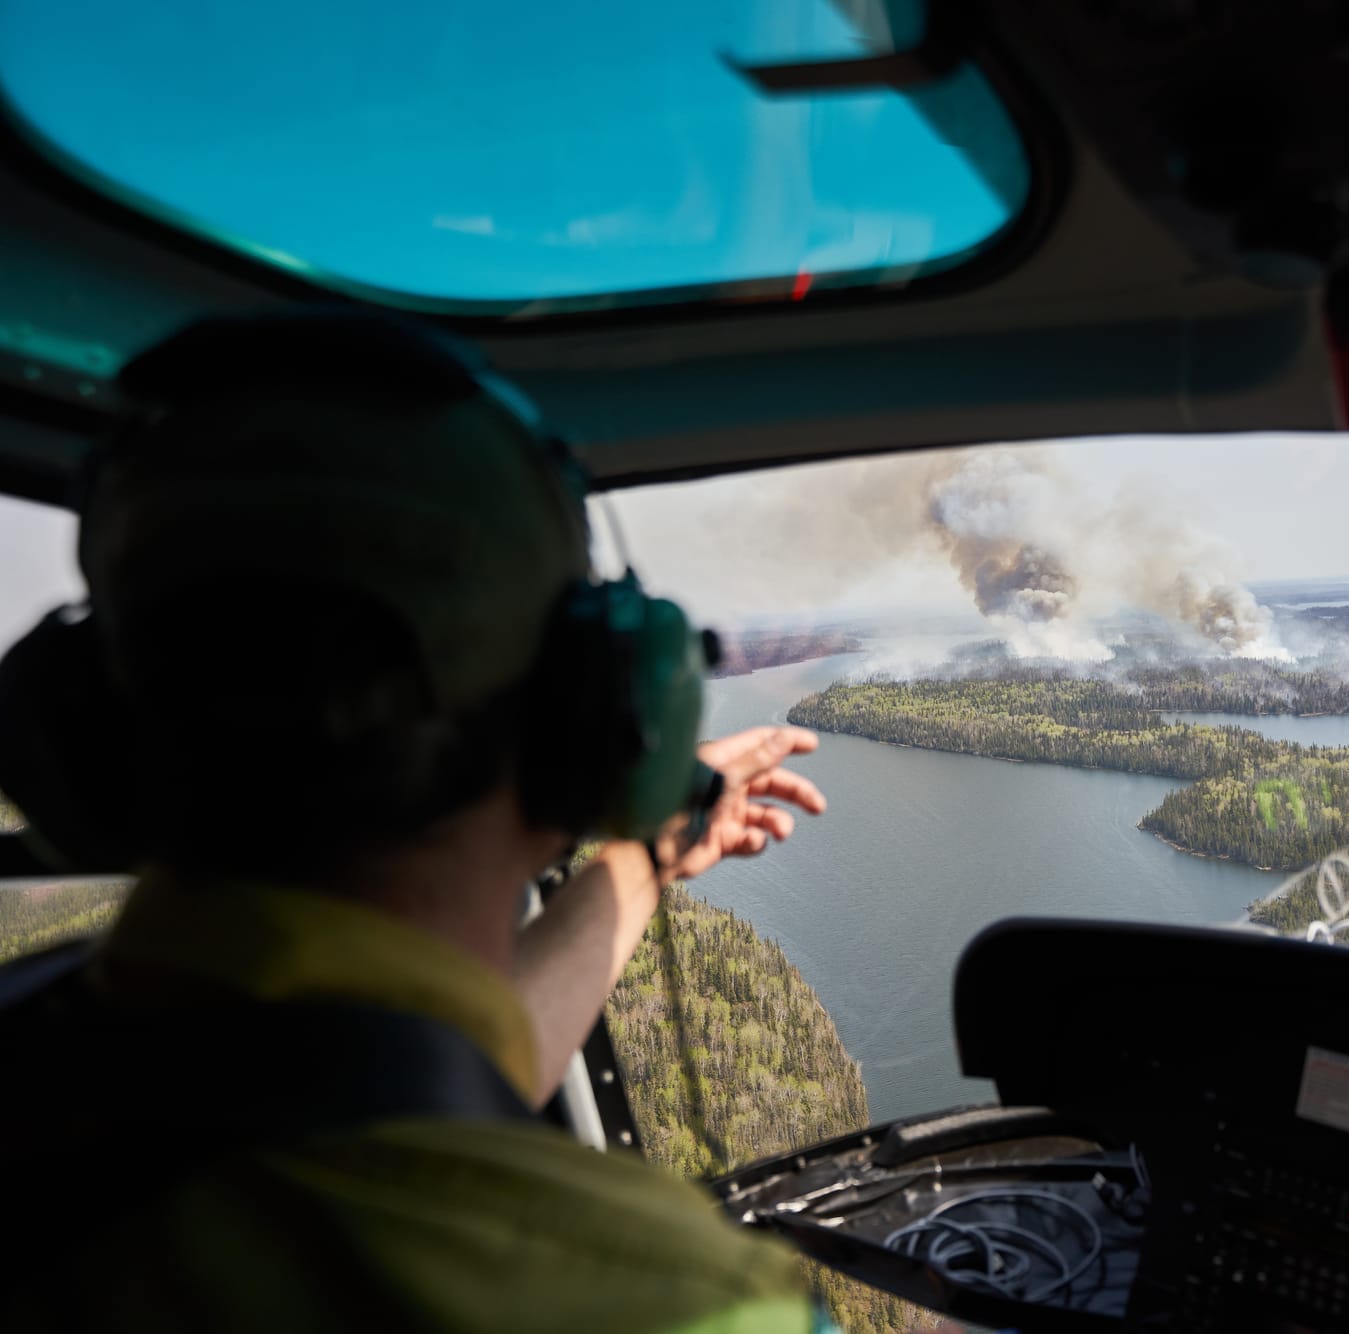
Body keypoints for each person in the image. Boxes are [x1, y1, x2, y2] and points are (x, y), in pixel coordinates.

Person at [0, 309, 833, 1332]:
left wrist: (647, 860)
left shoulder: (72, 1048)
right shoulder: (668, 1299)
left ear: (74, 719)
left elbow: (381, 1077)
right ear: (598, 726)